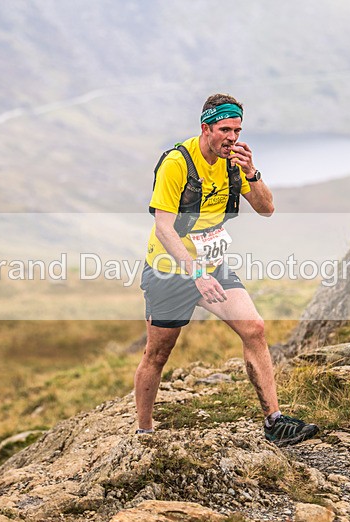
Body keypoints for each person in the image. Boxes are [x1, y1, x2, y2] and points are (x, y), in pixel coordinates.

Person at [135, 94, 319, 446]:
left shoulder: (234, 162)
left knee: (254, 329)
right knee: (157, 354)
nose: (232, 138)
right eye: (224, 130)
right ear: (206, 128)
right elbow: (163, 228)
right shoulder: (177, 163)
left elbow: (266, 209)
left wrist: (252, 172)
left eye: (237, 130)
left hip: (213, 266)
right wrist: (195, 275)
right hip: (170, 271)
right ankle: (144, 432)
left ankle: (274, 422)